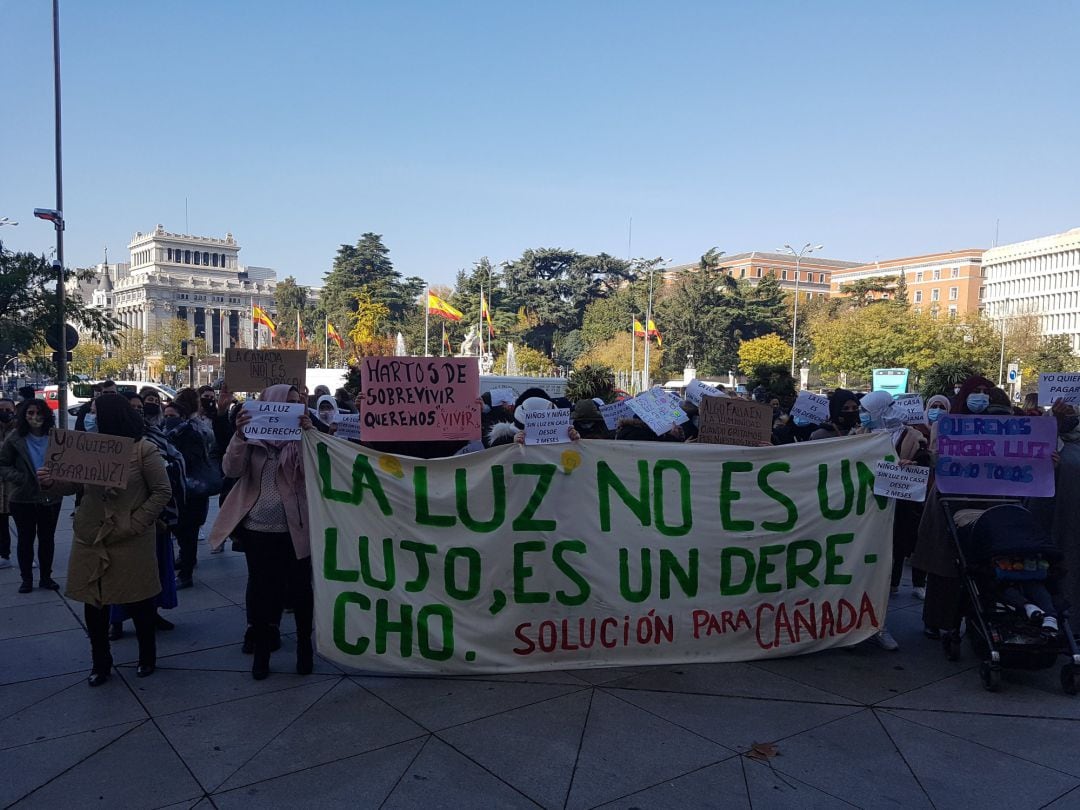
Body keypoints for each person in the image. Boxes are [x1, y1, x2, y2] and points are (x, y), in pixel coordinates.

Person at [40, 392, 172, 685]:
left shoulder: (143, 450)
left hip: (129, 538)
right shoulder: (88, 447)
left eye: (97, 411)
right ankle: (100, 661)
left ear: (112, 415)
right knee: (93, 601)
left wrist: (135, 522)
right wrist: (52, 482)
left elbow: (162, 491)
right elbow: (73, 487)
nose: (92, 416)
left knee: (139, 601)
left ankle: (147, 655)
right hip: (91, 535)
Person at [209, 384, 314, 679]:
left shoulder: (303, 438)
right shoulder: (251, 435)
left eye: (297, 403)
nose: (291, 408)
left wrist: (308, 433)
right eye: (287, 403)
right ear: (269, 405)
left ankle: (304, 646)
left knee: (300, 590)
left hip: (296, 529)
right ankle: (263, 651)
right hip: (258, 529)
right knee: (263, 591)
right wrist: (240, 435)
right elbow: (230, 470)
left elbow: (317, 471)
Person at [0, 399, 64, 593]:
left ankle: (46, 577)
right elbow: (3, 464)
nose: (35, 417)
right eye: (30, 413)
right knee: (25, 539)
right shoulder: (15, 438)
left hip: (50, 496)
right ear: (24, 415)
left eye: (38, 413)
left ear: (46, 415)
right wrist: (21, 478)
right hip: (23, 497)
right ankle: (26, 579)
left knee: (47, 538)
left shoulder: (57, 437)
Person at [164, 398, 220, 589]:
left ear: (183, 417)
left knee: (188, 533)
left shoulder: (192, 434)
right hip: (175, 492)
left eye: (172, 416)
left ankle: (186, 572)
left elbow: (192, 460)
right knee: (179, 532)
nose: (169, 419)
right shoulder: (164, 435)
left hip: (192, 492)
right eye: (166, 416)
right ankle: (185, 562)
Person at [0, 397, 16, 569]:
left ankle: (27, 555)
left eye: (7, 410)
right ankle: (4, 554)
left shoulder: (20, 429)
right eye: (1, 410)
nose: (4, 414)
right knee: (2, 522)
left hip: (15, 484)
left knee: (23, 522)